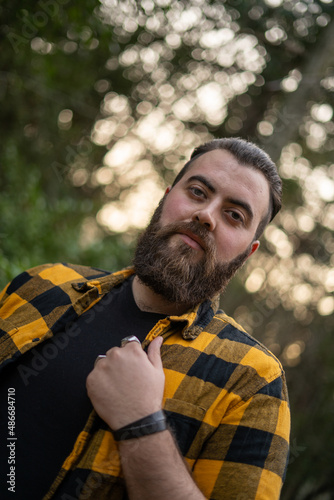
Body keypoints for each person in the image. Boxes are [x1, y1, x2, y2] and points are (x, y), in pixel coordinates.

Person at [0, 137, 290, 500]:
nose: (206, 215)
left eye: (234, 215)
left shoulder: (252, 381)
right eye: (198, 192)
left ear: (247, 254)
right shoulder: (42, 284)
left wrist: (140, 423)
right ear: (166, 198)